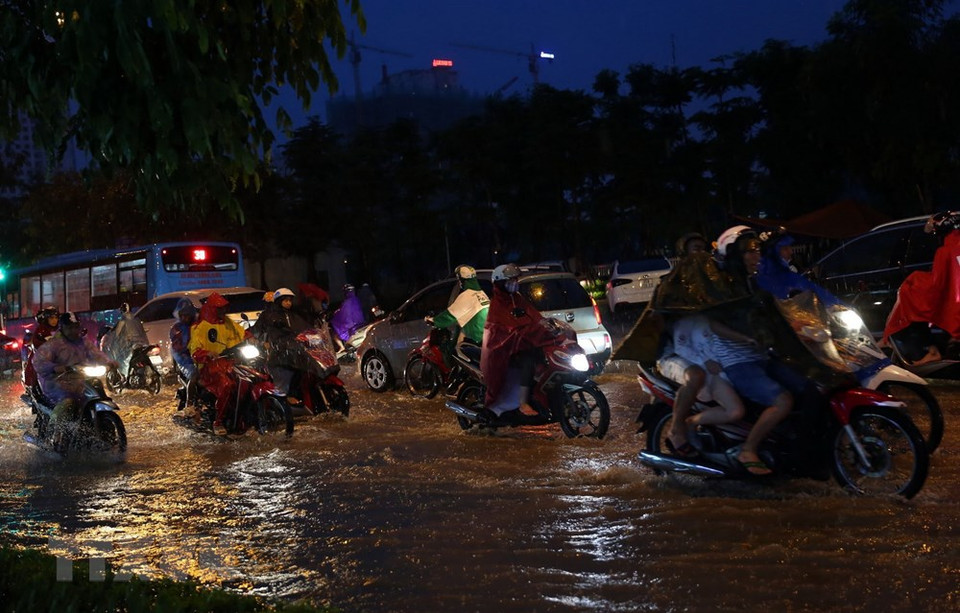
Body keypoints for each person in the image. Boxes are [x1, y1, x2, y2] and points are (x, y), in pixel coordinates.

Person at [709, 225, 808, 476]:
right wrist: (746, 338)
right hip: (737, 360)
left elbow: (776, 310)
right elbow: (715, 324)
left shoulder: (754, 283)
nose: (757, 257)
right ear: (734, 255)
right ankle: (748, 449)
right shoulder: (725, 288)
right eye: (750, 251)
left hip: (763, 355)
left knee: (808, 385)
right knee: (782, 400)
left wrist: (800, 321)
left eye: (757, 250)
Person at [655, 233, 745, 457]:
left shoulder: (715, 284)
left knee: (738, 404)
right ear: (684, 253)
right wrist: (705, 360)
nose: (700, 253)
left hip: (710, 355)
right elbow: (676, 332)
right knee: (695, 376)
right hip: (676, 353)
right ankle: (677, 430)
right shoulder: (672, 286)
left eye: (703, 248)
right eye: (695, 248)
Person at [883, 211, 960, 364]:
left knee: (910, 301)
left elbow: (937, 284)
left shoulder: (945, 251)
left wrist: (914, 280)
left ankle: (929, 352)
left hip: (953, 302)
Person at [481, 263, 556, 418]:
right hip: (504, 351)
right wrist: (517, 334)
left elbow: (533, 315)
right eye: (510, 280)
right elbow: (501, 331)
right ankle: (523, 403)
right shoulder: (497, 305)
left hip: (521, 345)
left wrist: (545, 324)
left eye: (515, 279)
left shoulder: (517, 298)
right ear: (501, 283)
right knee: (528, 362)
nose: (515, 283)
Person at [32, 312, 117, 447]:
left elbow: (96, 354)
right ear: (63, 328)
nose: (74, 331)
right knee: (69, 402)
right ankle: (56, 437)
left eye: (76, 327)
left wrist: (109, 362)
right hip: (56, 382)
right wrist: (56, 368)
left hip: (80, 379)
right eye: (70, 327)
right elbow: (38, 362)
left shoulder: (83, 342)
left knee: (98, 390)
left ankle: (103, 431)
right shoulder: (54, 344)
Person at [188, 292, 250, 434]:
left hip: (231, 362)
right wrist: (207, 354)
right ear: (212, 309)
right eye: (219, 308)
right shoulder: (200, 327)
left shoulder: (227, 322)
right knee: (227, 385)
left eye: (224, 308)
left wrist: (252, 337)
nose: (223, 311)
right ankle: (218, 421)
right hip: (210, 367)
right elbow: (195, 351)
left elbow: (241, 333)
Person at [756, 230, 841, 307]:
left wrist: (838, 305)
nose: (790, 252)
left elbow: (817, 292)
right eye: (785, 249)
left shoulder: (791, 272)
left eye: (789, 247)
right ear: (773, 253)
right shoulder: (767, 279)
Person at [427, 265, 490, 359]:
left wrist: (434, 321)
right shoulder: (481, 293)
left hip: (475, 336)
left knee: (454, 352)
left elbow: (450, 315)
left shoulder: (467, 296)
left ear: (462, 280)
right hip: (486, 335)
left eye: (459, 280)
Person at [103, 302, 150, 377]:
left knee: (122, 359)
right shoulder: (136, 318)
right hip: (142, 343)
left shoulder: (123, 320)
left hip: (130, 345)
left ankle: (125, 376)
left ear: (122, 310)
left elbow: (117, 333)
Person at [170, 298, 198, 413]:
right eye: (183, 315)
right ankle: (189, 405)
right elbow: (178, 346)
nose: (185, 318)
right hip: (185, 359)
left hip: (199, 355)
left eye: (188, 315)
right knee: (195, 375)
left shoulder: (198, 325)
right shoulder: (177, 329)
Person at [22, 305, 60, 391]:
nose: (54, 320)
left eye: (55, 318)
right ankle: (35, 388)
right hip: (45, 357)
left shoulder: (61, 329)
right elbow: (37, 344)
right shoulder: (41, 330)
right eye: (51, 318)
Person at [329, 284, 365, 354]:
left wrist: (336, 315)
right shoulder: (357, 299)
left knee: (335, 332)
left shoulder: (346, 302)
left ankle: (342, 347)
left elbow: (344, 314)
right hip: (360, 321)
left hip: (351, 324)